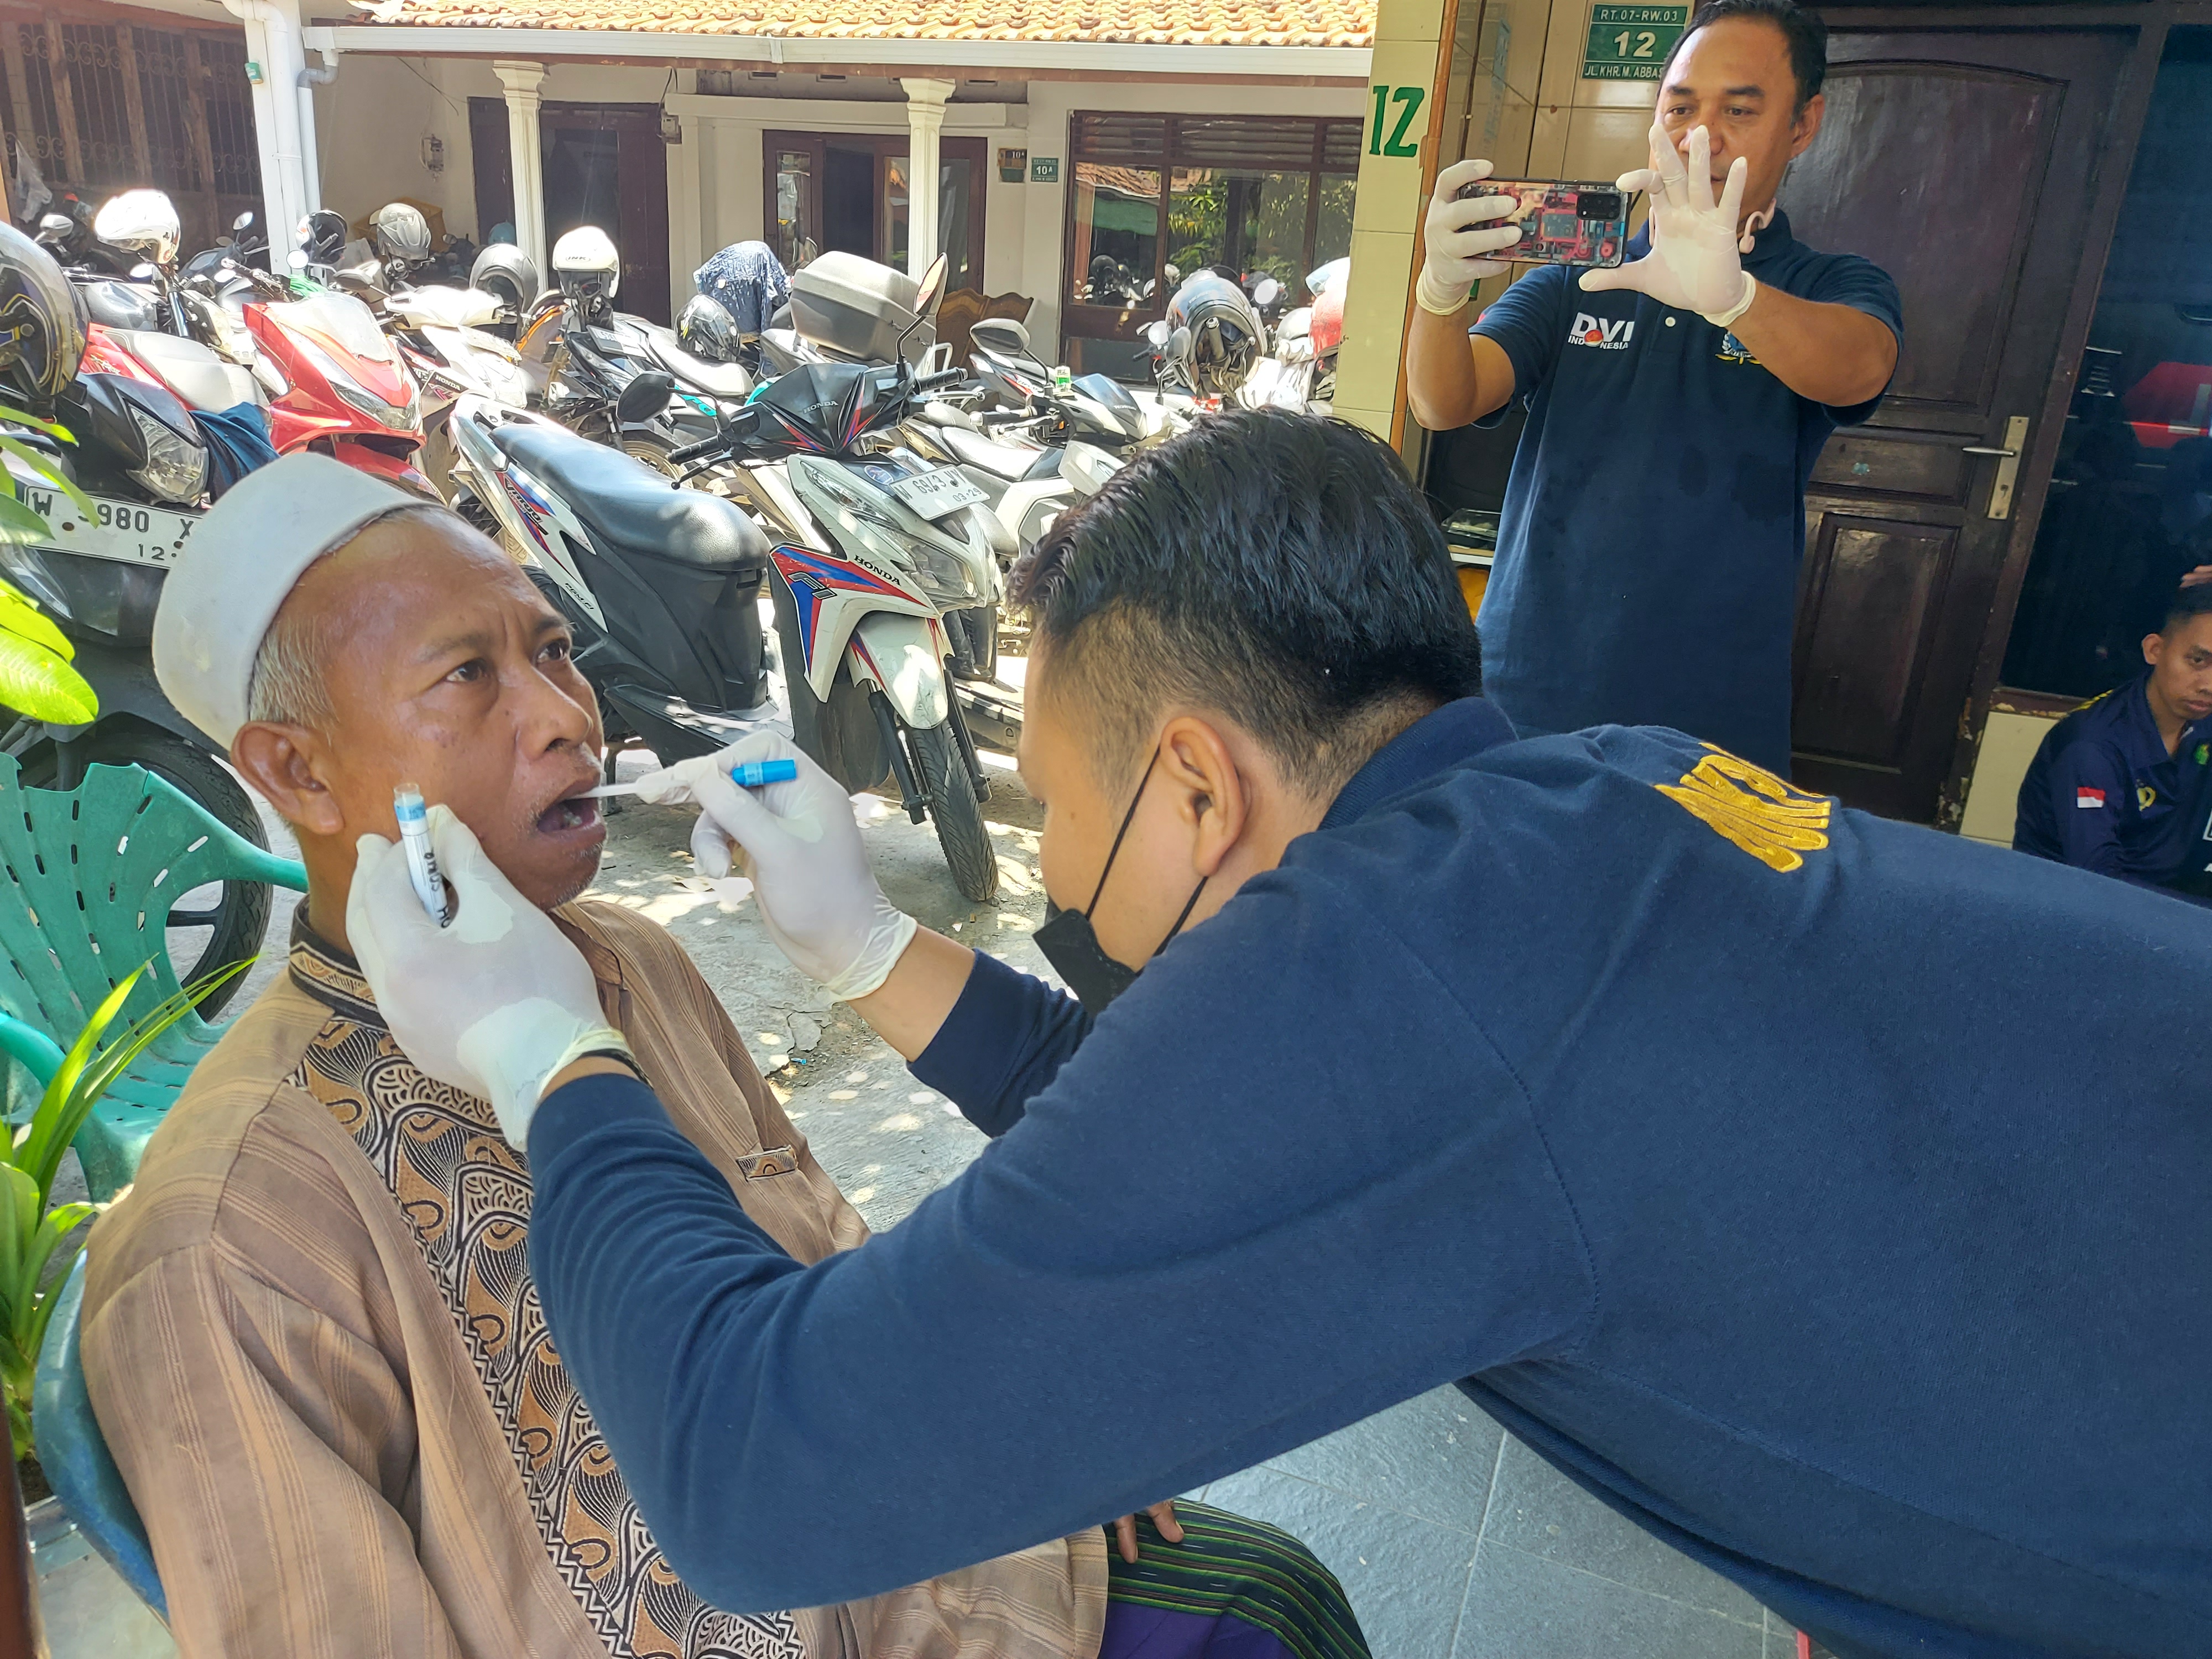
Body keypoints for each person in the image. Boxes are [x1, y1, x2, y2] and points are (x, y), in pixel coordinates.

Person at [348, 409, 2211, 1659]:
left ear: (1194, 788)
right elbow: (1234, 1152)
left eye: (1072, 843)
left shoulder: (1385, 970)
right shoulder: (1590, 802)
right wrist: (864, 947)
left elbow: (761, 1472)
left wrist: (540, 1054)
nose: (1067, 893)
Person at [85, 452, 1369, 1659]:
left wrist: (1019, 1417)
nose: (563, 720)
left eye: (550, 650)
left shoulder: (629, 961)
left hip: (920, 1563)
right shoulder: (227, 1232)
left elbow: (818, 1242)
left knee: (1266, 1599)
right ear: (296, 769)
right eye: (467, 676)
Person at [1403, 0, 1901, 775]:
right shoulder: (1577, 282)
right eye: (1680, 106)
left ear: (1803, 126)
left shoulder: (1828, 284)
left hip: (1712, 716)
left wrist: (1734, 296)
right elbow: (1445, 400)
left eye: (1740, 109)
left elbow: (1862, 366)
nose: (1700, 135)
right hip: (1530, 690)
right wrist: (1439, 290)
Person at [2013, 581, 2212, 898]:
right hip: (2072, 904)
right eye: (2198, 661)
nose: (2208, 685)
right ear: (2154, 650)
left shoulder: (2201, 719)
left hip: (2170, 888)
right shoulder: (2093, 747)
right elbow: (2097, 877)